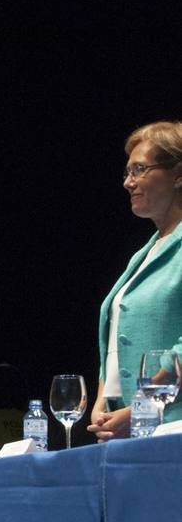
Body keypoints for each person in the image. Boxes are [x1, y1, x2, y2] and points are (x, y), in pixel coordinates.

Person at [88, 121, 182, 441]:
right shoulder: (144, 253)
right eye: (127, 173)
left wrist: (143, 407)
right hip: (130, 429)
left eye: (140, 169)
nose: (129, 182)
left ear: (178, 174)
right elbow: (116, 338)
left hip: (173, 425)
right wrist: (103, 400)